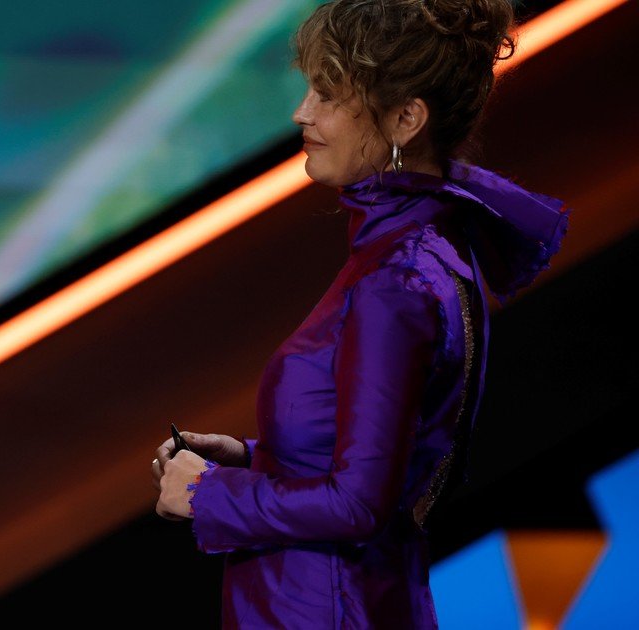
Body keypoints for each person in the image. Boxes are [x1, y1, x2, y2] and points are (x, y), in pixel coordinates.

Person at [152, 0, 568, 627]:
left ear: (406, 119)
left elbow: (360, 506)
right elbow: (381, 460)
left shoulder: (396, 278)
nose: (302, 113)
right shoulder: (421, 249)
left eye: (327, 95)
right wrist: (255, 456)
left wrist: (208, 492)